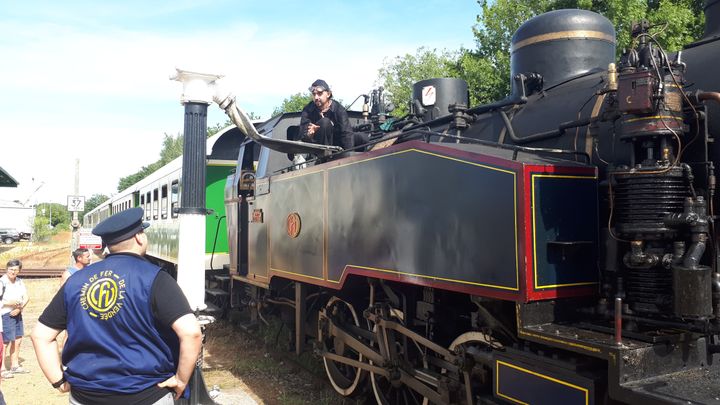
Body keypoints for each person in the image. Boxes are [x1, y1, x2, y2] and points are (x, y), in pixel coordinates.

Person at [32, 208, 202, 404]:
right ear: (139, 237)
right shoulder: (156, 278)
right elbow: (191, 333)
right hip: (145, 395)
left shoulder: (76, 281)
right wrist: (181, 379)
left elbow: (40, 335)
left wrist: (59, 380)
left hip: (86, 396)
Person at [300, 79, 368, 150]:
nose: (316, 97)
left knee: (362, 137)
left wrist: (349, 153)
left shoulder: (338, 109)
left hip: (337, 142)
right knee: (324, 122)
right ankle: (325, 158)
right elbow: (303, 137)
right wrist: (309, 135)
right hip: (318, 145)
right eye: (314, 94)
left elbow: (346, 133)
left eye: (319, 93)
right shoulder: (308, 110)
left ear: (328, 94)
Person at [1, 259, 29, 378]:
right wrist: (11, 304)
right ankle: (2, 369)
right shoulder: (2, 282)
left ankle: (15, 365)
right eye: (11, 269)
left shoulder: (19, 281)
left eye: (16, 269)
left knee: (18, 339)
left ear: (19, 271)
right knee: (5, 342)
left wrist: (19, 308)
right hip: (5, 314)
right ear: (7, 269)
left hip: (18, 313)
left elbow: (26, 297)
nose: (13, 271)